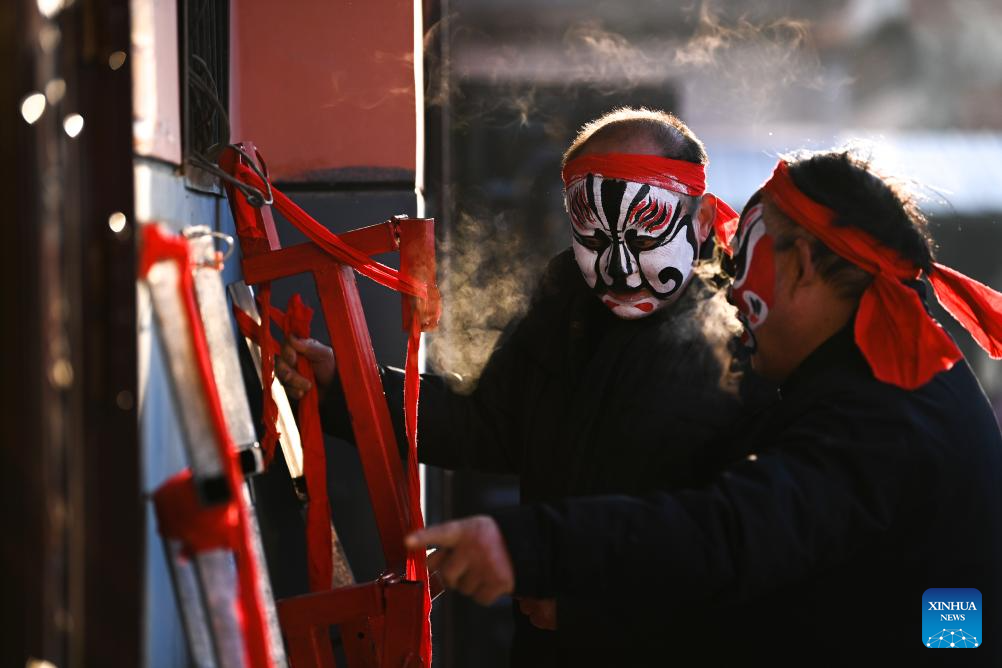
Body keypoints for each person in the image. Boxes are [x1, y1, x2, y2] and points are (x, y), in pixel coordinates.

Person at [407, 149, 1002, 665]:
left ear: (799, 266)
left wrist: (537, 548)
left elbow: (735, 536)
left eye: (746, 261)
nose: (735, 293)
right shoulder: (871, 384)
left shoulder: (885, 416)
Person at [278, 108, 757, 664]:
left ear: (700, 221)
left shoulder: (747, 336)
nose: (621, 270)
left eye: (647, 232)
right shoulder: (565, 309)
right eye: (595, 237)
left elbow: (744, 538)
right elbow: (488, 424)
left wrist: (595, 610)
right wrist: (347, 386)